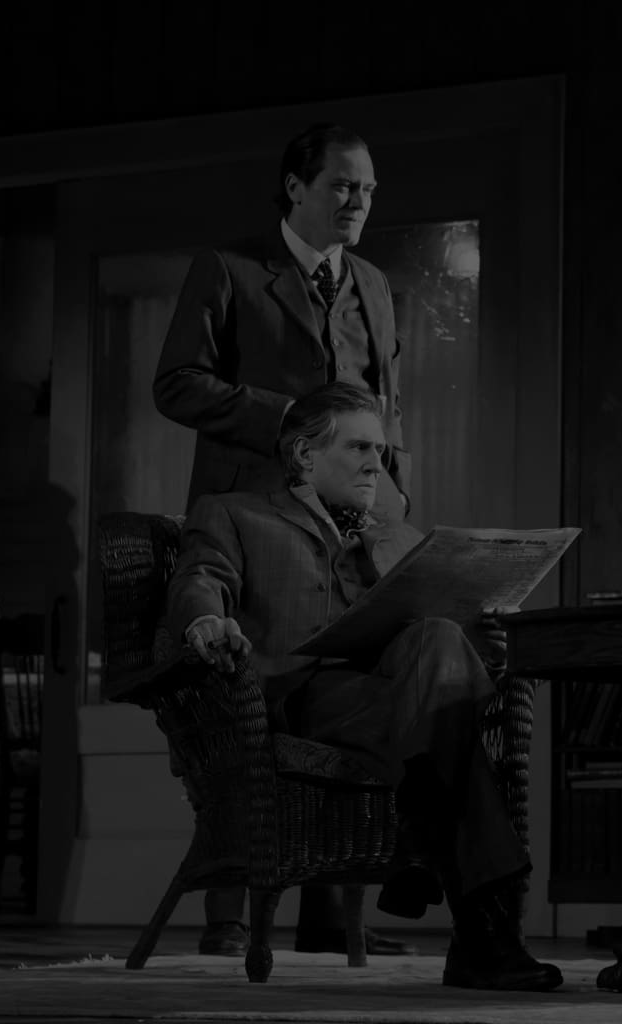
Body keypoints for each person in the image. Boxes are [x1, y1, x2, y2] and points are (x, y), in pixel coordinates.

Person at [166, 382, 561, 992]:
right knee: (450, 730)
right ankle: (485, 936)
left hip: (402, 698)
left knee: (436, 639)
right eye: (358, 448)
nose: (378, 462)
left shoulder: (396, 530)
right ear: (303, 453)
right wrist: (206, 620)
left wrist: (487, 640)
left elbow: (443, 641)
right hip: (308, 695)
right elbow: (200, 577)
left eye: (380, 449)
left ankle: (422, 837)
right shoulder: (235, 512)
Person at [153, 122, 412, 958]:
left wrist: (393, 495)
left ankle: (342, 922)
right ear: (296, 187)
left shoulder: (372, 282)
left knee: (361, 685)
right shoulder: (228, 270)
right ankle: (229, 919)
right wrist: (291, 423)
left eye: (368, 189)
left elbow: (384, 405)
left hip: (352, 532)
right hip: (253, 518)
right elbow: (177, 383)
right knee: (248, 702)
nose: (359, 202)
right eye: (344, 186)